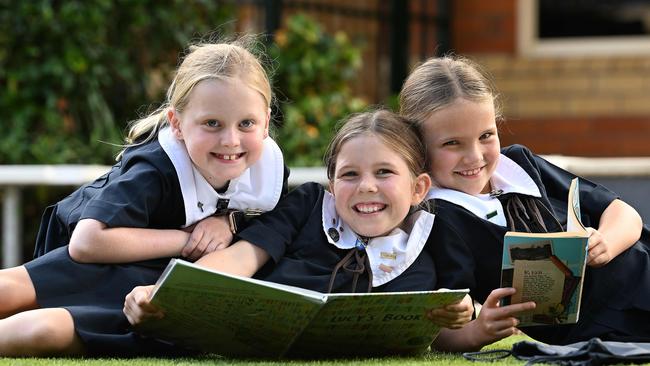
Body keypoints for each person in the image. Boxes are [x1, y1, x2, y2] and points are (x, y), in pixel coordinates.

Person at [0, 40, 287, 357]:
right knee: (11, 293)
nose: (231, 140)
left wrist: (226, 224)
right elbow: (86, 243)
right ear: (177, 124)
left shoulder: (269, 171)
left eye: (246, 123)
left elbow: (260, 223)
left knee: (42, 330)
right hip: (97, 254)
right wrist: (186, 239)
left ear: (265, 121)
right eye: (212, 123)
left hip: (153, 275)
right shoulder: (156, 170)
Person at [124, 109, 474, 354]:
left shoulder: (428, 250)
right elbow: (240, 259)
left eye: (384, 172)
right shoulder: (309, 206)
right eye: (350, 175)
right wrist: (167, 292)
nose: (366, 186)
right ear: (333, 185)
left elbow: (446, 325)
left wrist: (464, 316)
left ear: (418, 188)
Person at [398, 55, 650, 350]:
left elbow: (621, 211)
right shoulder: (437, 218)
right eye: (452, 143)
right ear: (417, 146)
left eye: (486, 136)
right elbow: (445, 326)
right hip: (602, 329)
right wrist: (480, 329)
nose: (475, 157)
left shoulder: (519, 163)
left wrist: (606, 242)